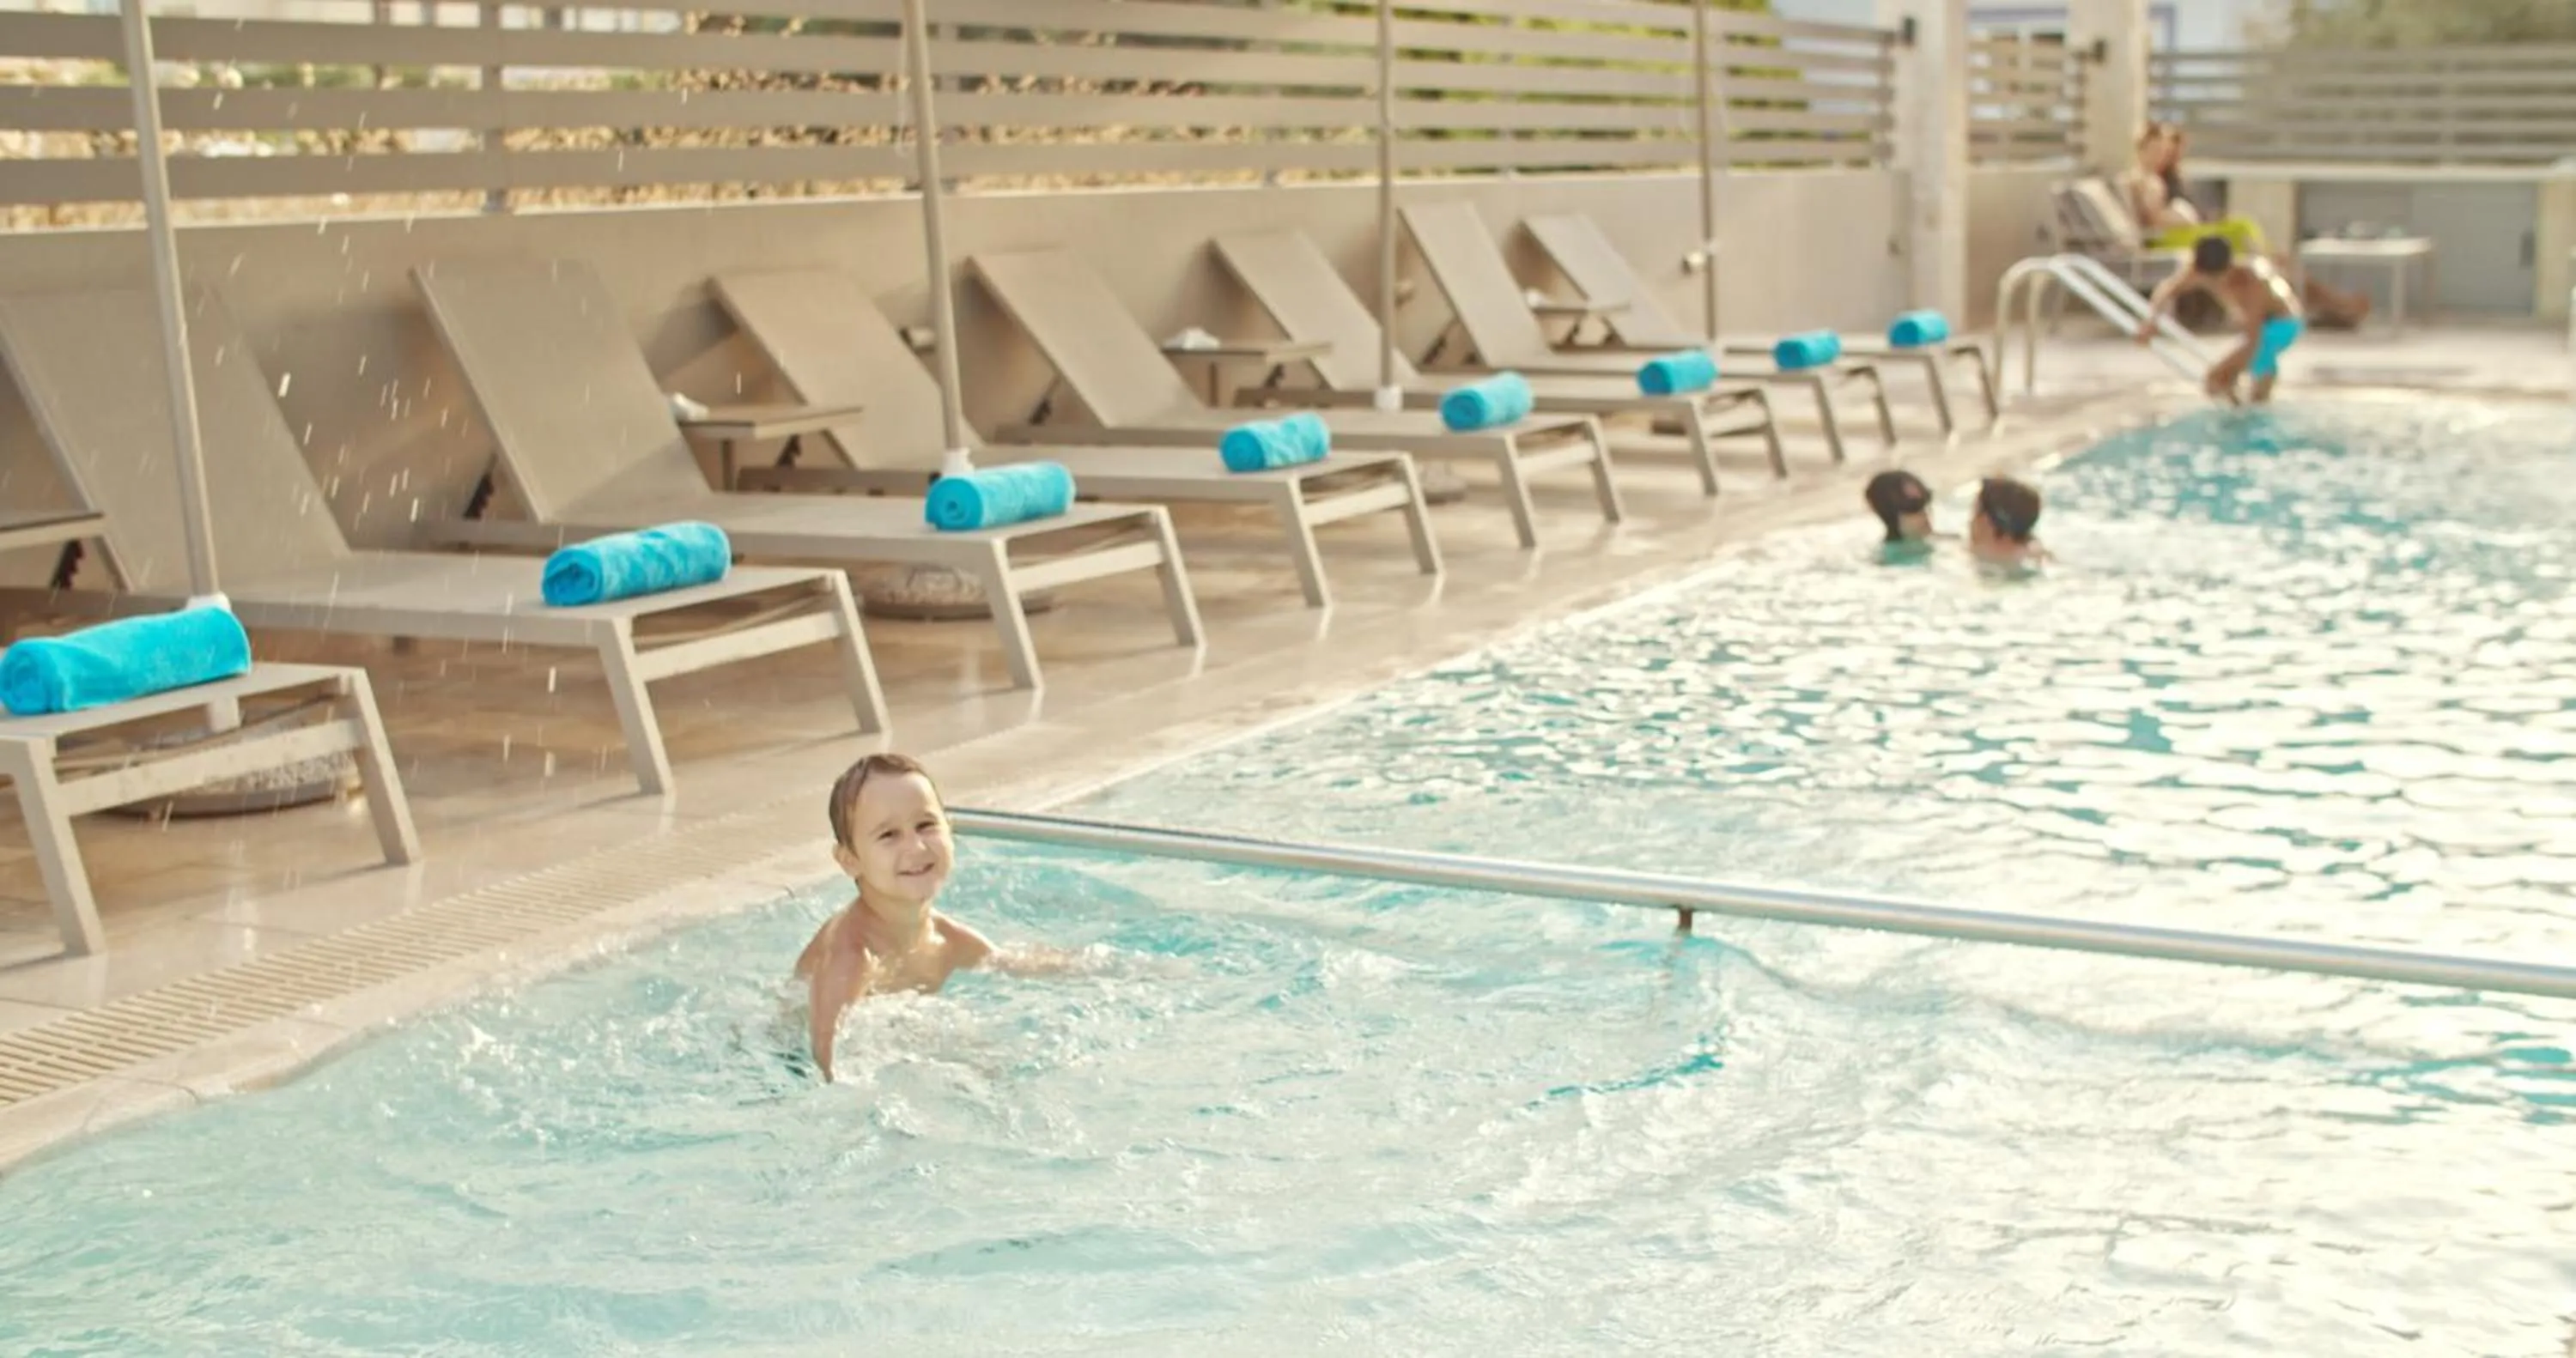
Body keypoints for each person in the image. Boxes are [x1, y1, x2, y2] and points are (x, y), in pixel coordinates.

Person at [793, 751, 1080, 1082]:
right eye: (889, 835)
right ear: (849, 860)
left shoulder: (944, 938)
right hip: (791, 1062)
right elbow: (825, 1061)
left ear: (950, 829)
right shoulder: (851, 955)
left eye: (926, 825)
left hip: (890, 1043)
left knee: (995, 1063)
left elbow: (1013, 964)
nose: (915, 847)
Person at [2137, 234, 2304, 406]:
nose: (2216, 282)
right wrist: (2151, 322)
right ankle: (2239, 410)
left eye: (2219, 277)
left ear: (2230, 265)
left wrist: (2227, 370)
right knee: (2221, 381)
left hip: (2284, 323)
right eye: (2209, 278)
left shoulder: (2253, 282)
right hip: (2259, 328)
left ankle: (2257, 403)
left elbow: (2253, 339)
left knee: (2243, 369)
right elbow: (2167, 291)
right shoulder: (2198, 270)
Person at [1968, 476, 2047, 569]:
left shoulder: (1976, 558)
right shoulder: (2039, 554)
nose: (1970, 522)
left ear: (1986, 522)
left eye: (1975, 514)